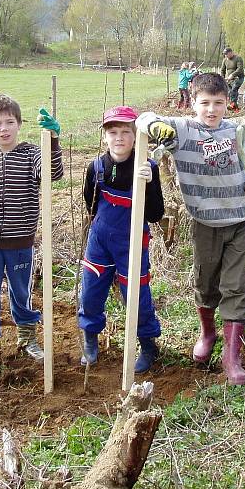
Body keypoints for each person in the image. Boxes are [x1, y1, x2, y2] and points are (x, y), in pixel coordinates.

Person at [136, 73, 245, 385]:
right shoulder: (181, 130)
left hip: (243, 220)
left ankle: (231, 357)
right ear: (192, 103)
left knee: (235, 288)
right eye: (204, 103)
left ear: (226, 104)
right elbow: (142, 119)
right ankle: (208, 334)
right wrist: (154, 126)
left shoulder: (235, 130)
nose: (211, 109)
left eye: (218, 103)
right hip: (206, 224)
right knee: (205, 285)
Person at [0, 95, 64, 383]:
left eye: (10, 122)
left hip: (21, 241)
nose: (4, 129)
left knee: (21, 292)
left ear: (19, 124)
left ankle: (26, 338)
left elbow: (52, 173)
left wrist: (54, 140)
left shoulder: (33, 154)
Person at [78, 106, 165, 373]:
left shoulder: (146, 167)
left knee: (136, 296)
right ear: (105, 136)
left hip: (132, 243)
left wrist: (148, 184)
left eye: (125, 132)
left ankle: (148, 344)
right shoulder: (96, 168)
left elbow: (155, 213)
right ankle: (90, 339)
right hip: (100, 241)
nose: (119, 138)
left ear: (136, 134)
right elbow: (90, 202)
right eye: (113, 132)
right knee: (91, 292)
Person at [220, 47, 245, 111]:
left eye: (226, 54)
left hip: (238, 78)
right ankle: (235, 107)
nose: (225, 55)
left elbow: (240, 69)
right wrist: (222, 78)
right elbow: (222, 70)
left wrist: (233, 75)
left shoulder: (238, 58)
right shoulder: (225, 60)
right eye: (224, 54)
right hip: (229, 79)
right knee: (229, 91)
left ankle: (232, 104)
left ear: (231, 53)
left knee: (234, 89)